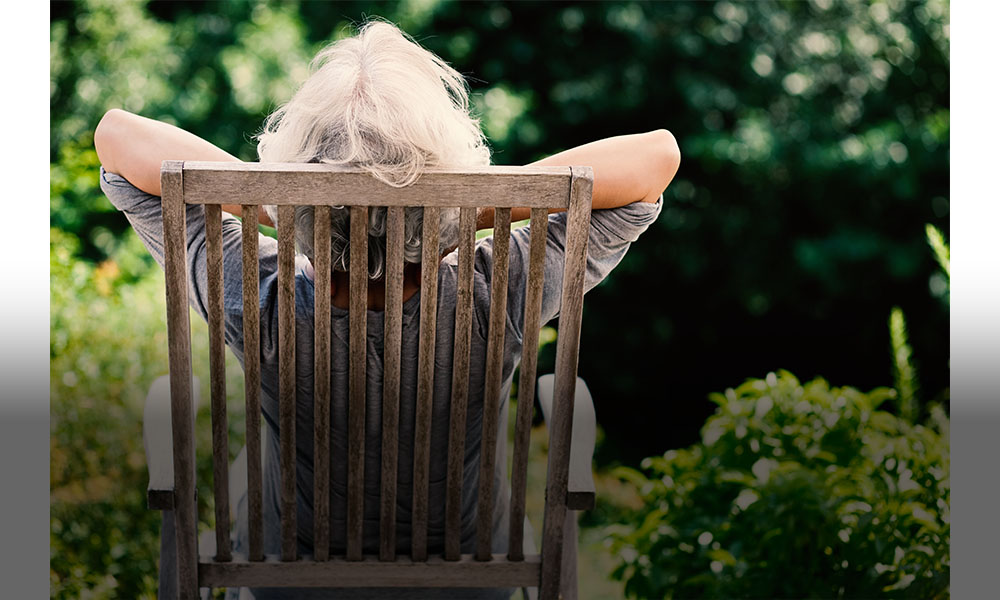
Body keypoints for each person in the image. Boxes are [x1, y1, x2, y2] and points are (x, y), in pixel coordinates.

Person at [95, 19, 679, 600]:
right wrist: (461, 211)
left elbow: (117, 136)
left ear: (300, 169)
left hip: (287, 589)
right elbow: (656, 157)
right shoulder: (496, 292)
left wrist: (290, 205)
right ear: (447, 168)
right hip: (469, 591)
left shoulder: (259, 295)